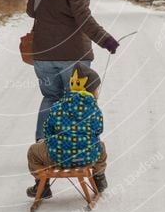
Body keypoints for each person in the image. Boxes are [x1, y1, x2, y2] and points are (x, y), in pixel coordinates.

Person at [26, 0, 119, 141]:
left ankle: (43, 145)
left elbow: (32, 10)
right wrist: (106, 40)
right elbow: (82, 15)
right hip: (73, 54)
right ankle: (73, 149)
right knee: (77, 101)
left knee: (50, 98)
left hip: (43, 54)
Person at [26, 63, 108, 198]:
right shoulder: (94, 109)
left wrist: (50, 140)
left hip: (57, 157)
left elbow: (48, 129)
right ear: (90, 90)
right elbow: (98, 130)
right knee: (101, 147)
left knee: (33, 152)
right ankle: (99, 178)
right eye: (96, 89)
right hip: (87, 157)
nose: (97, 92)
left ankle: (42, 184)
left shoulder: (58, 106)